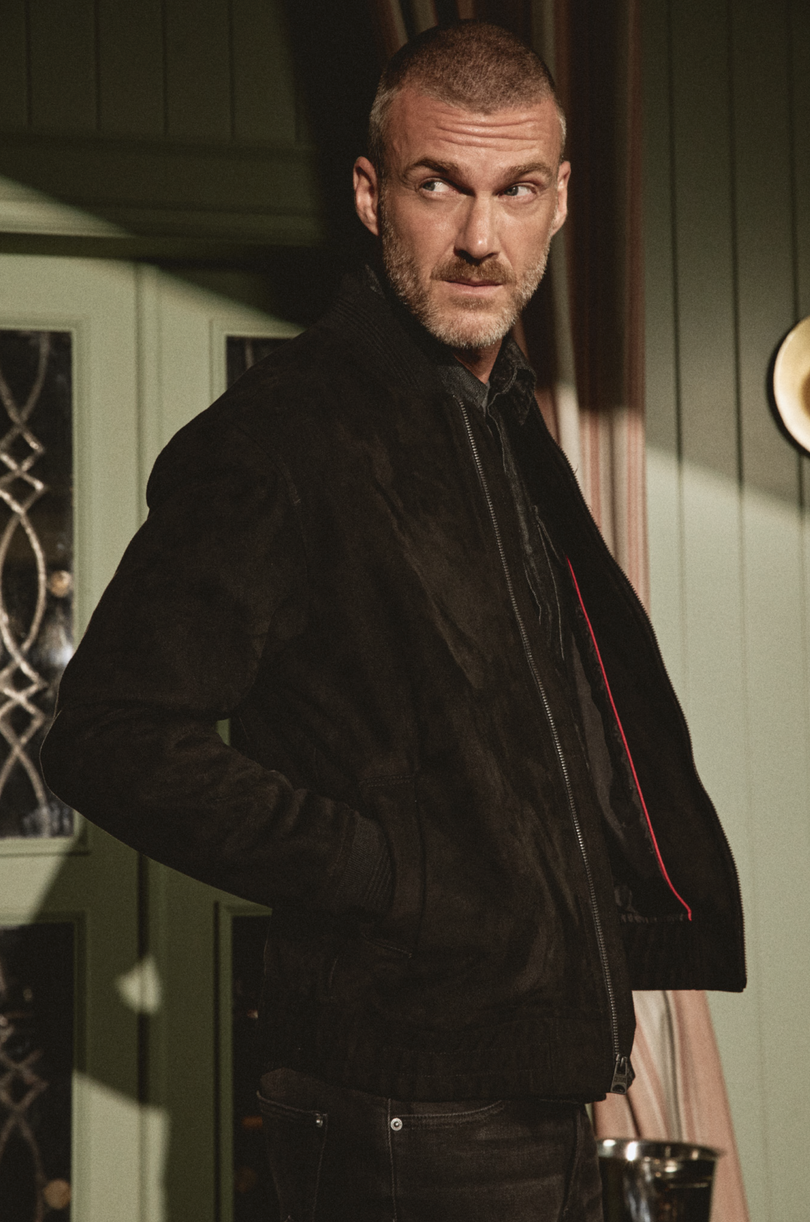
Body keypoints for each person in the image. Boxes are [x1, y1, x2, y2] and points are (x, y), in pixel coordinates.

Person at [41, 21, 744, 1222]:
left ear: (561, 200)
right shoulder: (283, 436)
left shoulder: (501, 422)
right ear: (372, 195)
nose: (480, 236)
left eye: (517, 189)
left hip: (544, 1083)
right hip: (404, 1101)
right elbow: (110, 736)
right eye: (439, 185)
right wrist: (389, 873)